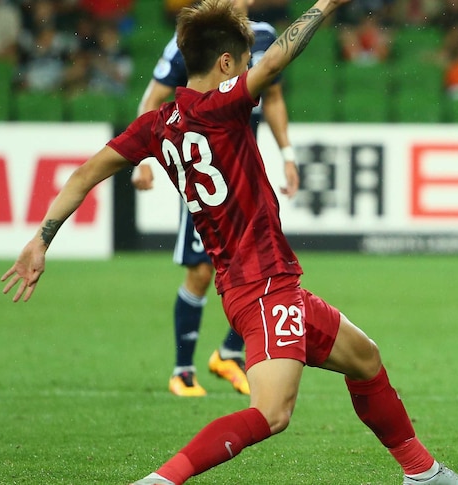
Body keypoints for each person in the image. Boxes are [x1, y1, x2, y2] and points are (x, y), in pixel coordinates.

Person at [2, 1, 458, 484]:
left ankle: (422, 473)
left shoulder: (156, 125)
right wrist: (325, 6)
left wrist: (42, 237)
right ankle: (161, 481)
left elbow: (85, 174)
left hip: (264, 284)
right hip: (262, 284)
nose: (254, 69)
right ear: (226, 64)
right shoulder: (222, 106)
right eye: (246, 62)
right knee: (273, 413)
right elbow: (278, 58)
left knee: (365, 359)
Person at [130, 0, 300, 398]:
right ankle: (182, 369)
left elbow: (272, 97)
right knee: (202, 272)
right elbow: (152, 99)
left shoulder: (261, 38)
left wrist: (288, 154)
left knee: (261, 265)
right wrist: (144, 160)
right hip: (206, 175)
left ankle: (228, 352)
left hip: (243, 172)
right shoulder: (191, 42)